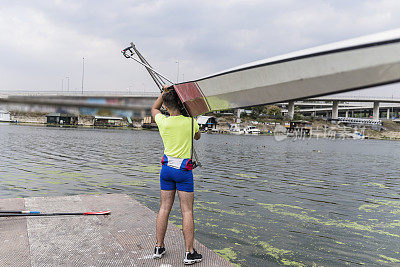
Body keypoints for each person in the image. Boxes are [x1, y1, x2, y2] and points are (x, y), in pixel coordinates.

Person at [151, 87, 202, 265]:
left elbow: (154, 108)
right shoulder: (190, 122)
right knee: (187, 211)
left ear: (166, 104)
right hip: (183, 171)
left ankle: (159, 247)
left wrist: (163, 93)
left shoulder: (163, 121)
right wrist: (190, 115)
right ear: (181, 104)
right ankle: (189, 253)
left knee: (164, 208)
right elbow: (198, 137)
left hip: (166, 169)